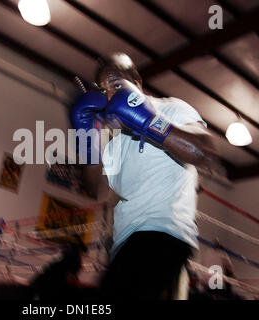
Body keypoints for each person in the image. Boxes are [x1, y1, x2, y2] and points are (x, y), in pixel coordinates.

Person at [70, 53, 221, 300]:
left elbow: (204, 152)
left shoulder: (170, 108)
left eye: (116, 85)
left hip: (163, 236)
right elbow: (95, 186)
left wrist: (150, 122)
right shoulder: (114, 141)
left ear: (136, 84)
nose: (109, 95)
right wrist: (88, 138)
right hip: (124, 245)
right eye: (103, 89)